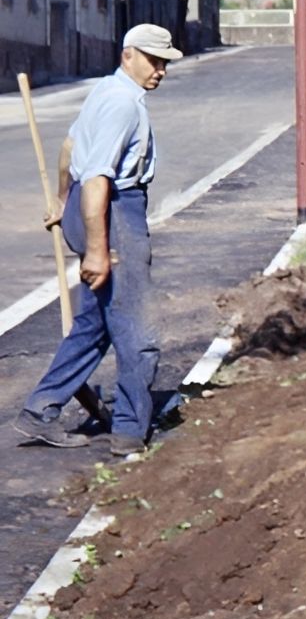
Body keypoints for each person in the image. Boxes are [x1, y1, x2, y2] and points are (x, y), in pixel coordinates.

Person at [13, 24, 181, 454]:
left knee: (95, 323)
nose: (161, 70)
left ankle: (40, 409)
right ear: (129, 55)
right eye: (154, 61)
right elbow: (98, 180)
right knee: (137, 330)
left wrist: (62, 200)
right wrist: (98, 251)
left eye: (165, 63)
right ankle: (129, 430)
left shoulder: (107, 90)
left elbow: (70, 148)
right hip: (114, 214)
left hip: (88, 208)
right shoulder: (123, 104)